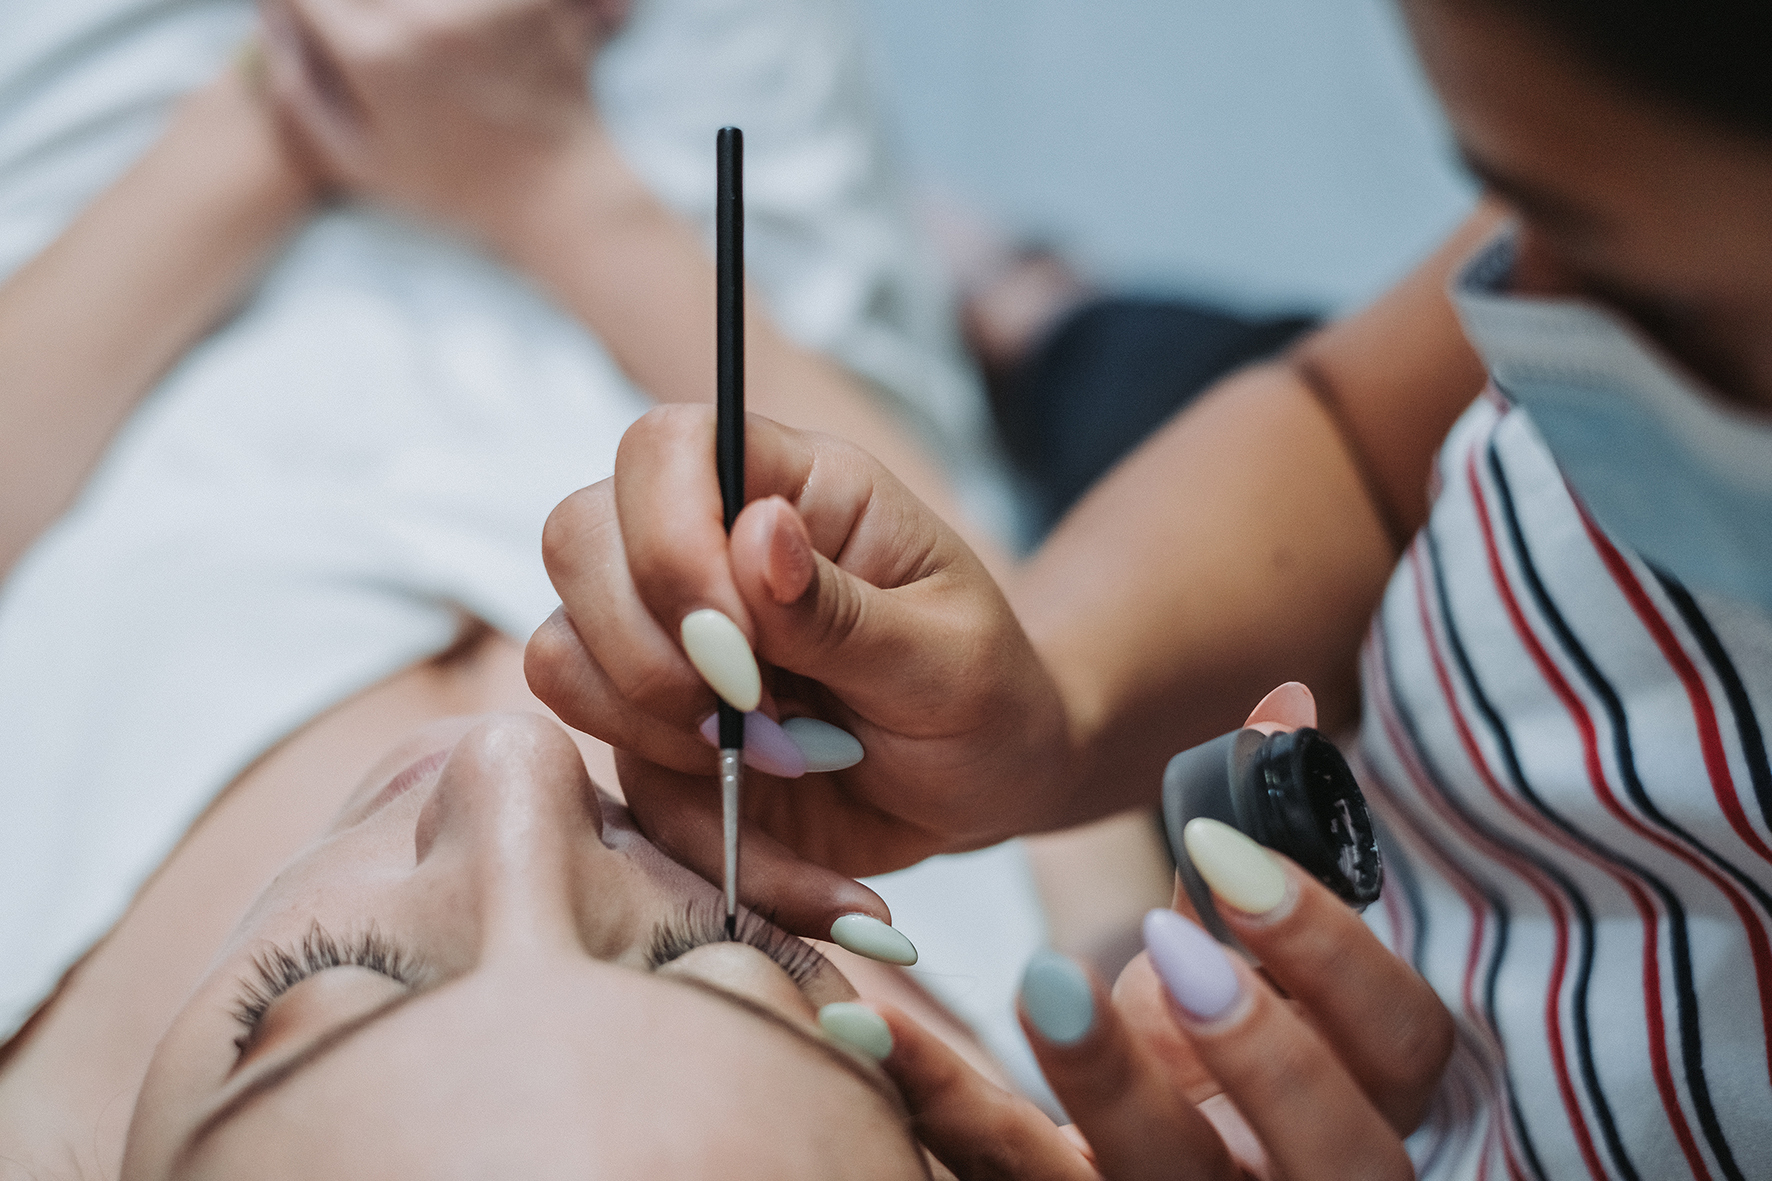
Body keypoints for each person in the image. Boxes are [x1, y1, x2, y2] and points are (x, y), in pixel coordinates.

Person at [527, 0, 1772, 1175]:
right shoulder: (1609, 211)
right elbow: (1355, 436)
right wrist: (1046, 703)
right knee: (1116, 360)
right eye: (1497, 207)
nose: (1511, 332)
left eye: (357, 971)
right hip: (1287, 663)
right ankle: (1032, 301)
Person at [0, 0, 1028, 1171]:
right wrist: (552, 184)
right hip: (680, 237)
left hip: (117, 212)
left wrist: (272, 116)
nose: (513, 758)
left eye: (312, 990)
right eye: (729, 953)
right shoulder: (1061, 1070)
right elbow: (1014, 642)